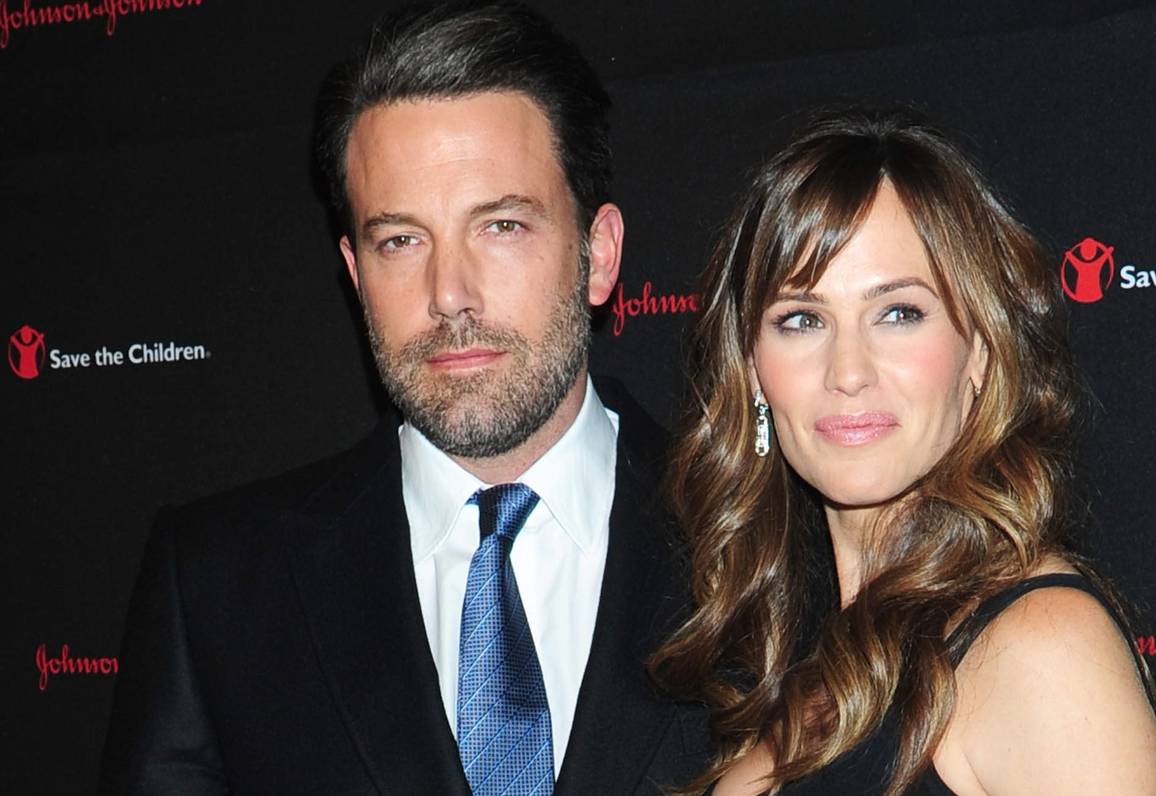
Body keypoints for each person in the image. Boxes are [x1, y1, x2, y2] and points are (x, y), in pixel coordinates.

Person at [100, 3, 706, 794]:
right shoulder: (217, 584)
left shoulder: (763, 543)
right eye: (401, 240)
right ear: (356, 275)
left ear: (598, 254)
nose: (449, 293)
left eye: (501, 227)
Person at [650, 110, 1156, 795]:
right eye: (802, 319)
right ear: (751, 368)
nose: (848, 371)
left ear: (979, 350)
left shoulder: (1039, 646)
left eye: (898, 313)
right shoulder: (795, 661)